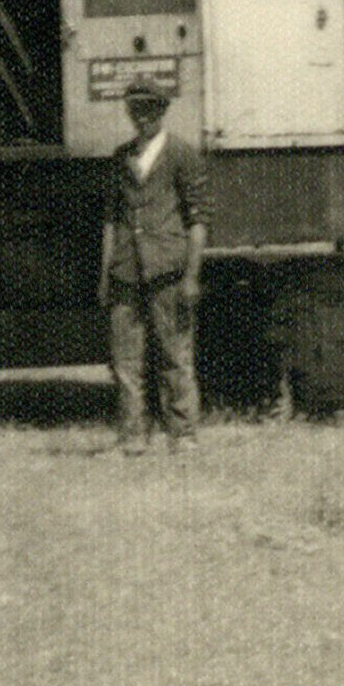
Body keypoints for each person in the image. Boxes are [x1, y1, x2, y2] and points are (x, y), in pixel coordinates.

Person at [98, 72, 206, 453]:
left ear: (162, 110)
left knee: (175, 354)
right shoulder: (120, 157)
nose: (142, 117)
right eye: (135, 110)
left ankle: (183, 435)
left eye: (149, 109)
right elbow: (112, 221)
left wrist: (191, 276)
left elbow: (197, 221)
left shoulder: (182, 154)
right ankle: (132, 437)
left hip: (168, 270)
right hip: (126, 271)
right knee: (125, 360)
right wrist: (106, 275)